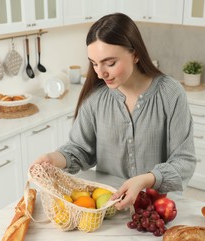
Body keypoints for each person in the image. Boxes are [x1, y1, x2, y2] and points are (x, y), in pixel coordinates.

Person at [32, 13, 196, 210]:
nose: (100, 73)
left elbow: (184, 161)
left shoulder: (170, 93)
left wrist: (145, 180)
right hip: (110, 207)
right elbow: (81, 150)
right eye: (94, 63)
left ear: (135, 54)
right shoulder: (95, 98)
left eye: (110, 63)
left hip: (160, 208)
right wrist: (53, 159)